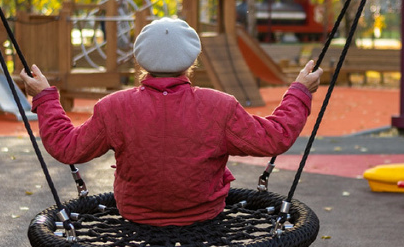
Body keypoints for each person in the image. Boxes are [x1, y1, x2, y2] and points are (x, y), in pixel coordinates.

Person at [19, 17, 322, 226]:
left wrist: (45, 98)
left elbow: (67, 147)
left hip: (137, 213)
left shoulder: (114, 107)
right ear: (192, 61)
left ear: (140, 61)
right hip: (203, 213)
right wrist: (299, 92)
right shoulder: (220, 106)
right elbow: (276, 137)